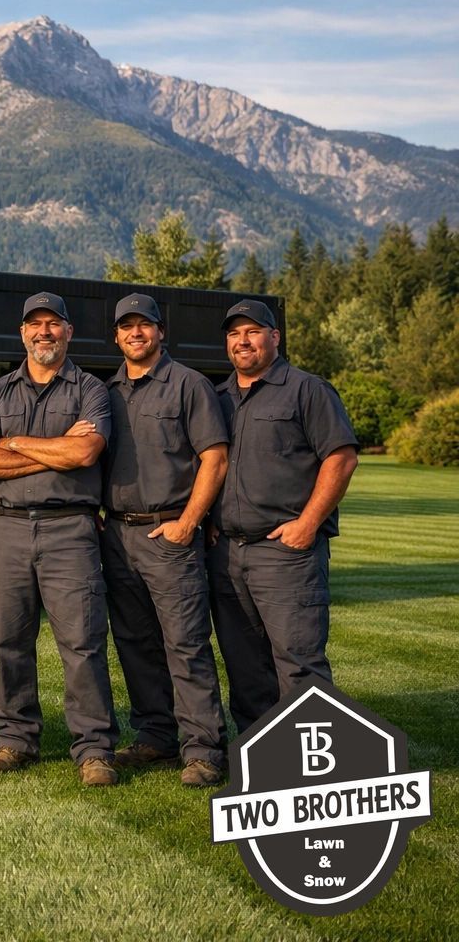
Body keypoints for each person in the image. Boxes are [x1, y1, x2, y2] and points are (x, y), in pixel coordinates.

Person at [0, 292, 122, 787]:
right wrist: (53, 450)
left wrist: (12, 443)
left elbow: (85, 454)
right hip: (7, 530)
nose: (44, 333)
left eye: (53, 324)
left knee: (81, 642)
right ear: (22, 334)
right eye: (35, 324)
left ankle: (94, 749)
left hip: (69, 531)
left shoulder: (91, 390)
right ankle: (15, 740)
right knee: (9, 639)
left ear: (68, 332)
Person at [208, 299, 358, 733]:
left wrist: (308, 523)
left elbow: (341, 459)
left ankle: (309, 765)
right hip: (228, 553)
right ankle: (258, 757)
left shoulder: (307, 389)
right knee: (243, 664)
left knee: (298, 662)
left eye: (253, 332)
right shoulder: (218, 398)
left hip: (285, 553)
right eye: (234, 334)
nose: (243, 341)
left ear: (274, 337)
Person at [101, 293, 231, 788]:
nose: (136, 333)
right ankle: (155, 734)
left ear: (161, 332)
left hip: (168, 532)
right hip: (117, 533)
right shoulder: (105, 391)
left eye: (145, 325)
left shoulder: (189, 385)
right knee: (134, 642)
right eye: (127, 326)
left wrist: (188, 522)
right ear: (116, 336)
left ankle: (202, 748)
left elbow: (214, 458)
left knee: (185, 643)